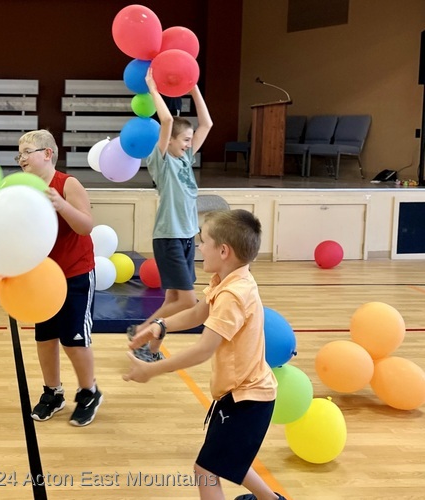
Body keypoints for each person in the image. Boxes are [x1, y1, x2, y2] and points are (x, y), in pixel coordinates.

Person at [123, 209, 286, 500]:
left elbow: (202, 350)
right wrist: (161, 325)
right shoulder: (228, 280)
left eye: (203, 241)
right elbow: (199, 312)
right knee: (230, 458)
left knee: (206, 469)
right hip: (241, 396)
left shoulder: (232, 296)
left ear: (223, 251)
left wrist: (151, 371)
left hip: (247, 400)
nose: (198, 247)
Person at [16, 129, 103, 426]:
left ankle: (88, 391)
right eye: (19, 153)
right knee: (45, 337)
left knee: (74, 340)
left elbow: (86, 226)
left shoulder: (68, 184)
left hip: (76, 273)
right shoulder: (24, 190)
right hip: (43, 277)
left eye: (27, 151)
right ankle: (53, 392)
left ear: (47, 154)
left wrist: (62, 205)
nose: (21, 157)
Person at [127, 68, 213, 362]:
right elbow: (165, 120)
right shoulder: (161, 161)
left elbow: (208, 123)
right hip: (169, 237)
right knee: (188, 301)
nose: (190, 144)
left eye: (190, 140)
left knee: (173, 299)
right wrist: (153, 86)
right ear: (171, 141)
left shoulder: (185, 159)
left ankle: (149, 348)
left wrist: (193, 89)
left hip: (186, 236)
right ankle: (141, 332)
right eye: (185, 140)